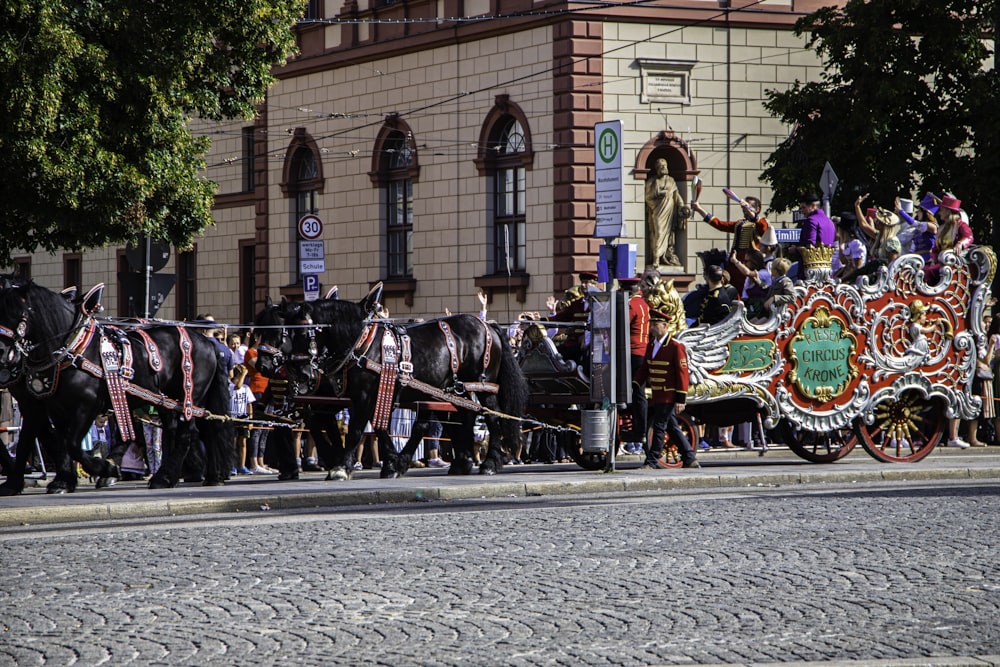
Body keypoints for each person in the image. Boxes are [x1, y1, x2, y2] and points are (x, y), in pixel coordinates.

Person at [633, 309, 699, 469]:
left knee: (659, 426)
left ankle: (652, 461)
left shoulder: (676, 346)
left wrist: (680, 399)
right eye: (651, 324)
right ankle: (690, 457)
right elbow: (645, 368)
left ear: (665, 326)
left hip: (669, 394)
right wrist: (635, 383)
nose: (652, 327)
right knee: (672, 426)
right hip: (657, 393)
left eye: (655, 324)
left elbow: (682, 373)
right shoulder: (651, 345)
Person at [691, 194, 770, 296]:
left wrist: (750, 211)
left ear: (757, 209)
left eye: (749, 206)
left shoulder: (760, 222)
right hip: (733, 264)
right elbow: (719, 224)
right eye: (744, 207)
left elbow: (763, 228)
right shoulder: (739, 223)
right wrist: (699, 209)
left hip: (748, 265)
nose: (745, 209)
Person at [618, 275, 649, 455]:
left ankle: (639, 430)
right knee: (638, 392)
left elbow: (621, 325)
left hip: (632, 353)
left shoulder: (630, 305)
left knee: (637, 393)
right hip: (642, 352)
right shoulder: (644, 304)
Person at [644, 158, 690, 266]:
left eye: (665, 165)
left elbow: (676, 195)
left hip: (670, 211)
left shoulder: (671, 180)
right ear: (657, 169)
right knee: (658, 233)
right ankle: (656, 259)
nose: (664, 168)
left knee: (669, 235)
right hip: (658, 211)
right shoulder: (652, 181)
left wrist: (682, 206)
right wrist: (660, 193)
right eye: (661, 166)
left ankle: (664, 257)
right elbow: (647, 197)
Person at [968, 313, 998, 447]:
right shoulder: (982, 341)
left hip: (985, 373)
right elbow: (986, 360)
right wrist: (991, 346)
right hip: (979, 375)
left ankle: (977, 436)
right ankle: (972, 438)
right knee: (977, 406)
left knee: (982, 409)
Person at [229, 363, 255, 475]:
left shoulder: (246, 388)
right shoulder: (230, 386)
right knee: (233, 442)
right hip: (233, 416)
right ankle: (232, 466)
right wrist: (243, 374)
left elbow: (249, 404)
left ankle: (242, 465)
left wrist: (250, 418)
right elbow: (238, 386)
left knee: (243, 442)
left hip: (243, 416)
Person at [831, 212, 867, 281]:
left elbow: (857, 268)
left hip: (854, 279)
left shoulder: (856, 244)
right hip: (847, 275)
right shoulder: (848, 243)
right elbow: (844, 262)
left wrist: (842, 279)